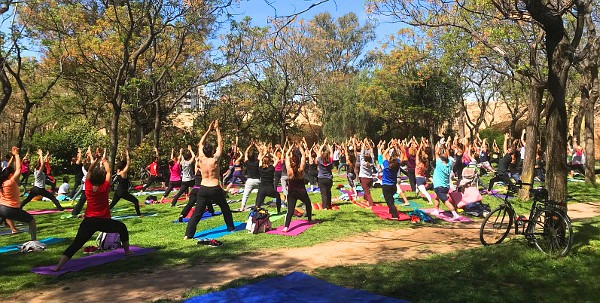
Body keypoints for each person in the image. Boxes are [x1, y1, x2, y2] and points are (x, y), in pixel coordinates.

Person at [52, 147, 131, 272]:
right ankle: (127, 252)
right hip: (104, 221)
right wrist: (104, 161)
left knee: (76, 244)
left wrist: (97, 159)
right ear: (102, 180)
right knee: (122, 228)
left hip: (89, 221)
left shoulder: (87, 187)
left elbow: (89, 171)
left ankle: (58, 266)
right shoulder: (104, 188)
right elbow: (109, 172)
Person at [184, 120, 235, 240]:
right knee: (225, 208)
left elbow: (200, 143)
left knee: (197, 213)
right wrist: (217, 129)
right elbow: (220, 143)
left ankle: (188, 234)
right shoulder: (215, 160)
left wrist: (208, 130)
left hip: (203, 188)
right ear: (212, 151)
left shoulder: (200, 158)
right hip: (215, 188)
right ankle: (231, 227)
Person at [0, 146, 37, 240]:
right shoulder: (11, 181)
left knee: (6, 217)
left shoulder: (2, 181)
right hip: (10, 209)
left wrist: (12, 157)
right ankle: (33, 241)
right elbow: (19, 169)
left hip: (1, 208)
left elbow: (7, 169)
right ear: (11, 174)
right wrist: (16, 155)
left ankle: (13, 229)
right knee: (31, 221)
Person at [283, 142, 312, 232]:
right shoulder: (301, 169)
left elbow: (287, 155)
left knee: (290, 210)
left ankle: (286, 227)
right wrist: (299, 146)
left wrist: (290, 147)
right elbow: (303, 155)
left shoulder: (289, 170)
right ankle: (309, 219)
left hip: (292, 192)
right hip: (301, 191)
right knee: (308, 204)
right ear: (298, 161)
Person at [431, 142, 460, 220]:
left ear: (441, 159)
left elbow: (436, 152)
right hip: (445, 186)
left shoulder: (439, 163)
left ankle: (455, 214)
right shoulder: (449, 163)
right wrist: (444, 146)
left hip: (439, 186)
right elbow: (447, 154)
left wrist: (440, 144)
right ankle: (436, 210)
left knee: (445, 201)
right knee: (436, 196)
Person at [109, 149, 141, 216]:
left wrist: (121, 155)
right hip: (123, 192)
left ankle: (101, 214)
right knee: (135, 201)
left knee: (112, 205)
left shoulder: (118, 172)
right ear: (123, 166)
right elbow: (128, 163)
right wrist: (127, 154)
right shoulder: (123, 173)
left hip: (117, 191)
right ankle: (139, 215)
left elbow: (121, 163)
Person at [254, 147, 282, 213]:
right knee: (278, 196)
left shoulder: (260, 168)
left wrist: (265, 153)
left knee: (257, 206)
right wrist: (271, 153)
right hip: (270, 189)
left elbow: (260, 159)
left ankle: (254, 216)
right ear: (269, 162)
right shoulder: (271, 168)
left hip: (262, 189)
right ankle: (279, 211)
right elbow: (277, 159)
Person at [381, 143, 404, 219]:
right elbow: (402, 155)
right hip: (393, 186)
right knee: (391, 199)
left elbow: (384, 155)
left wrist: (389, 147)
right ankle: (392, 210)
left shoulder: (386, 165)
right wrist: (397, 148)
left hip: (386, 186)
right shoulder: (397, 165)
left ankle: (395, 215)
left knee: (389, 201)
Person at [238, 142, 260, 211]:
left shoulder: (247, 162)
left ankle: (242, 207)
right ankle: (258, 205)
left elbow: (246, 152)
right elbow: (261, 152)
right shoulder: (258, 162)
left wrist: (250, 145)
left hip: (250, 180)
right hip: (258, 180)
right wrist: (256, 145)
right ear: (255, 156)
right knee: (260, 194)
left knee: (245, 195)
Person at [358, 139, 376, 208]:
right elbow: (372, 152)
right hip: (370, 179)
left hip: (364, 179)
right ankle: (365, 199)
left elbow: (362, 153)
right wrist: (368, 143)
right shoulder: (372, 163)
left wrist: (364, 143)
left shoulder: (363, 163)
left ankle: (371, 204)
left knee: (367, 192)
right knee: (367, 190)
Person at [317, 138, 334, 209]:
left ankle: (324, 206)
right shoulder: (330, 161)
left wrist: (323, 144)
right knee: (328, 192)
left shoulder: (320, 160)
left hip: (321, 178)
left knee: (323, 193)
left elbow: (318, 152)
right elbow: (332, 152)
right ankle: (329, 205)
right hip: (329, 178)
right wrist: (328, 145)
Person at [415, 139, 433, 204]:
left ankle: (430, 201)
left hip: (419, 178)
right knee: (417, 186)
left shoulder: (418, 164)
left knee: (424, 191)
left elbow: (417, 154)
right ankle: (416, 195)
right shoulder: (425, 165)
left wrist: (420, 147)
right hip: (423, 178)